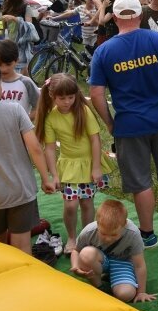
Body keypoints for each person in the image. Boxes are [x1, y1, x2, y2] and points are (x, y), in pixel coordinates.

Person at [89, 0, 158, 248]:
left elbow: (96, 93)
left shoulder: (103, 51)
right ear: (140, 15)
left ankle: (147, 234)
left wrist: (109, 122)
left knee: (141, 182)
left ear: (115, 18)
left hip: (129, 125)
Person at [0, 61, 55, 254]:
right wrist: (46, 179)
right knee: (22, 247)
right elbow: (35, 149)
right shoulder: (14, 110)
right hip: (21, 191)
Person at [35, 73, 109, 255]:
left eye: (71, 97)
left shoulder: (83, 111)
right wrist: (54, 174)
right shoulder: (50, 117)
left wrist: (97, 167)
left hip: (89, 165)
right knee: (70, 205)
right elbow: (50, 148)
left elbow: (95, 140)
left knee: (86, 203)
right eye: (62, 98)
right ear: (52, 96)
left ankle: (87, 236)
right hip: (68, 166)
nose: (67, 101)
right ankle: (72, 237)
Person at [70, 199, 156, 303]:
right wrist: (75, 266)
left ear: (124, 225)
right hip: (99, 259)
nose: (108, 239)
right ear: (97, 224)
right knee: (86, 253)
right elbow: (76, 250)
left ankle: (115, 280)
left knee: (126, 294)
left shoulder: (133, 233)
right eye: (103, 234)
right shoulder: (89, 231)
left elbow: (139, 265)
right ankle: (99, 287)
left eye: (114, 234)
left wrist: (141, 292)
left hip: (122, 263)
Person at [0, 39, 40, 119]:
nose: (4, 69)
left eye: (8, 64)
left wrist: (25, 122)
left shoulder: (26, 83)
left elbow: (39, 106)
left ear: (17, 61)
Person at [0, 0, 38, 74]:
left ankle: (26, 86)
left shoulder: (25, 7)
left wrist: (14, 19)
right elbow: (0, 28)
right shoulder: (4, 7)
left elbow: (29, 26)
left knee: (22, 71)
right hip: (9, 44)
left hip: (22, 45)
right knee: (11, 69)